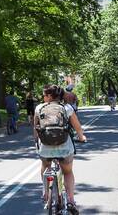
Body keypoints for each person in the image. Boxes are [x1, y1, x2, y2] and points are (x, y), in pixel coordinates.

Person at [34, 85, 87, 215]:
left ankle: (46, 193)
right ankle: (71, 201)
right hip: (64, 147)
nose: (43, 97)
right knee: (67, 172)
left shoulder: (39, 108)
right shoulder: (67, 108)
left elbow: (36, 129)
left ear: (50, 96)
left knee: (45, 166)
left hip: (46, 147)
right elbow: (77, 127)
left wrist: (36, 141)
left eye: (44, 95)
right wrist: (81, 137)